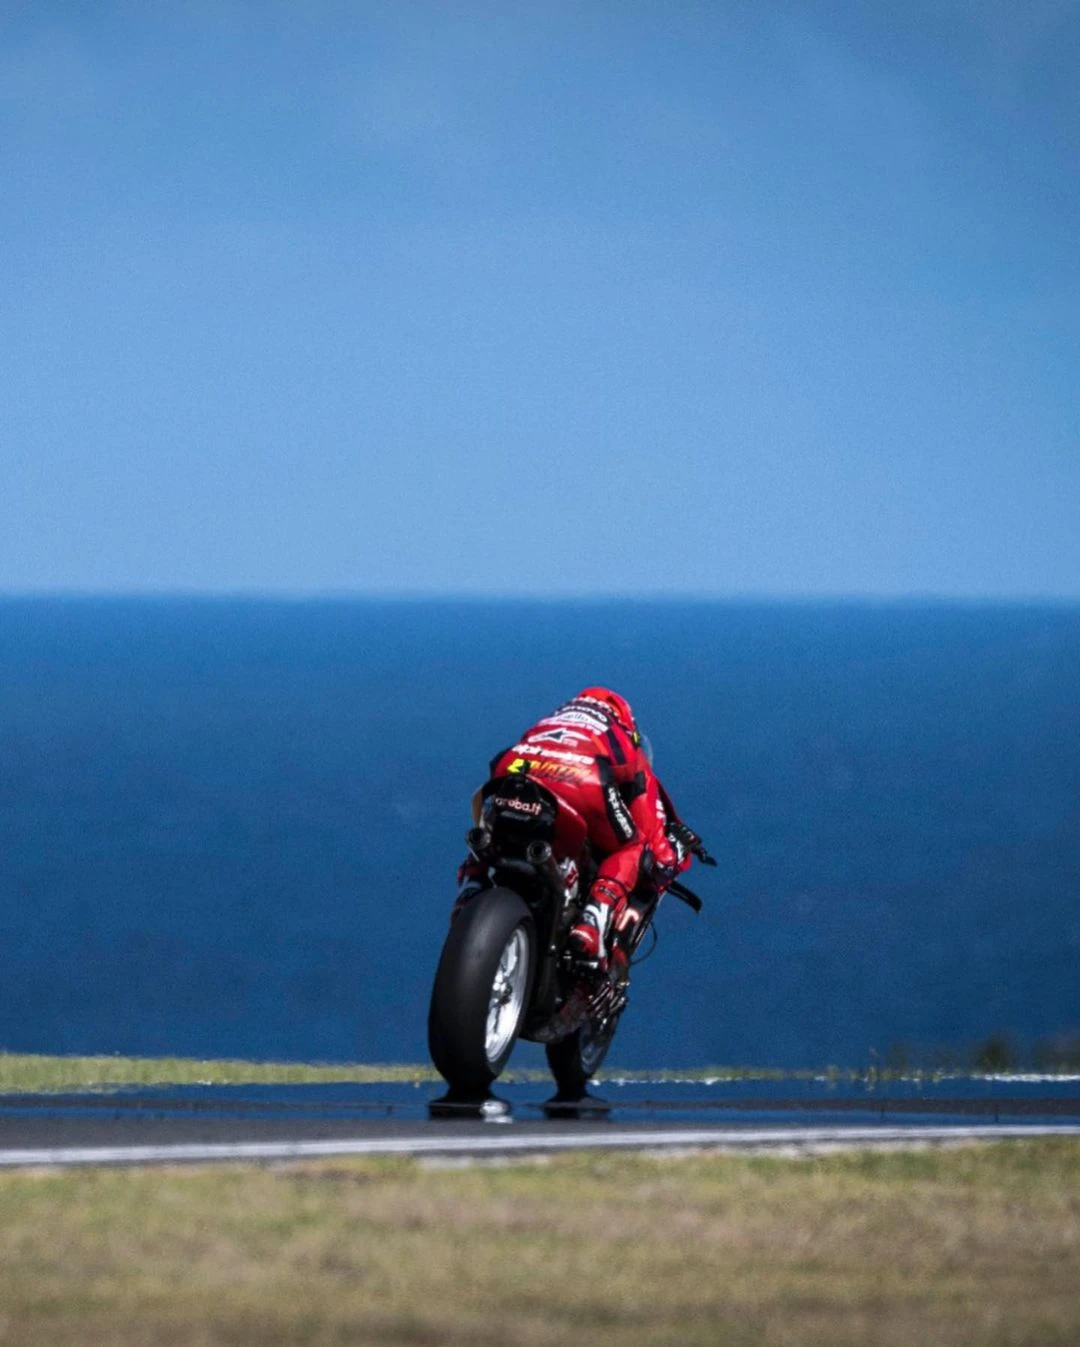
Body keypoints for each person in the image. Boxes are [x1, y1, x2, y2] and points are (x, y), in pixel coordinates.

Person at [456, 687, 698, 970]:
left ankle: (472, 885)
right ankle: (594, 917)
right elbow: (654, 840)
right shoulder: (625, 737)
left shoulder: (553, 720)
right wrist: (675, 852)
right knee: (632, 846)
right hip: (582, 778)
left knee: (493, 829)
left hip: (515, 767)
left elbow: (498, 762)